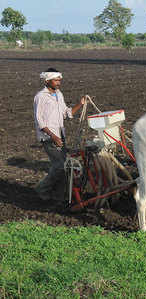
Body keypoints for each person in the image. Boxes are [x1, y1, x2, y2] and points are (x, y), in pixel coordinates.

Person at [33, 68, 85, 206]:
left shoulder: (58, 95)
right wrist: (53, 136)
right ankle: (42, 189)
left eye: (59, 80)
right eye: (56, 80)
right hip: (49, 137)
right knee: (60, 166)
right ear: (47, 81)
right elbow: (40, 121)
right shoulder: (40, 97)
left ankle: (59, 195)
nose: (58, 83)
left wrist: (80, 104)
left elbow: (66, 113)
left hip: (60, 134)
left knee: (63, 167)